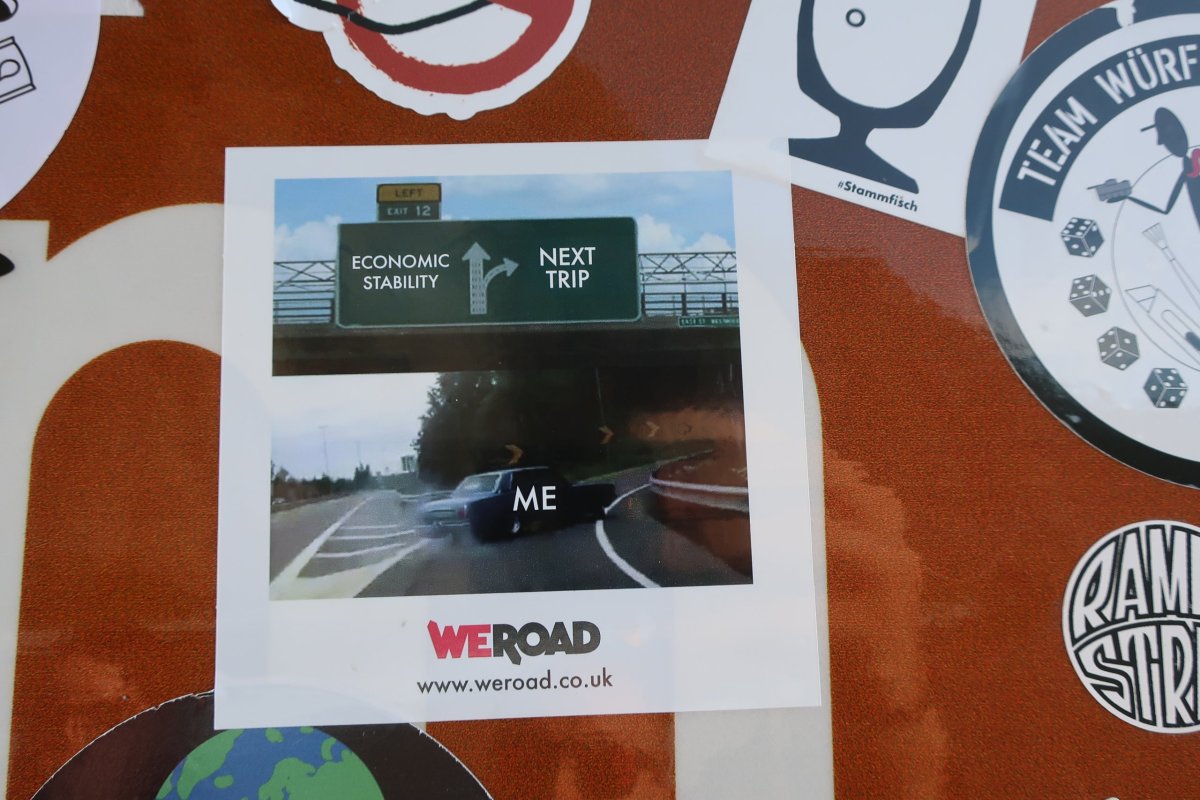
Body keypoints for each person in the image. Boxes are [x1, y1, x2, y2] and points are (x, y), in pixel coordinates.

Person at [1118, 107, 1200, 230]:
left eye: (1166, 138)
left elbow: (1166, 210)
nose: (1160, 143)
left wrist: (1126, 197)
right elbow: (1166, 210)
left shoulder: (1190, 166)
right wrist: (1127, 197)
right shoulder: (1189, 168)